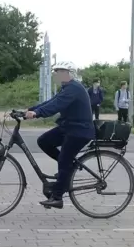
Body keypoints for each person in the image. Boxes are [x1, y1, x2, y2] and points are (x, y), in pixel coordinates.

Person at [25, 61, 95, 209]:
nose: (56, 75)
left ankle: (57, 197)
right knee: (44, 141)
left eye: (60, 72)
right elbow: (51, 101)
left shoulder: (74, 88)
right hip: (69, 127)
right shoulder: (67, 88)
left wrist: (37, 113)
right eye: (56, 72)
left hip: (80, 131)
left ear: (69, 73)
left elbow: (56, 106)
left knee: (64, 159)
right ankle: (68, 167)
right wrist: (30, 110)